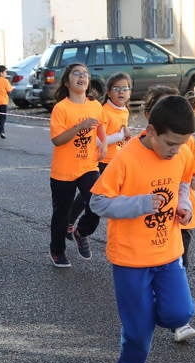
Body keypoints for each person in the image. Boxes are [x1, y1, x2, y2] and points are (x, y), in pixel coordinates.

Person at [90, 94, 195, 363]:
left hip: (168, 252)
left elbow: (183, 182)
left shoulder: (181, 151)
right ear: (151, 131)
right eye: (171, 144)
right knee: (138, 331)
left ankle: (148, 310)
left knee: (180, 312)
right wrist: (141, 204)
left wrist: (184, 205)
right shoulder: (126, 157)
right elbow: (98, 202)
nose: (177, 150)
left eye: (182, 144)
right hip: (130, 260)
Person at [140, 85, 195, 343]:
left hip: (181, 217)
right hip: (151, 221)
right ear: (151, 115)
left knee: (179, 265)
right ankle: (150, 306)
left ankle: (179, 321)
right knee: (151, 270)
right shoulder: (140, 149)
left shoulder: (187, 141)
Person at [48, 63, 107, 267]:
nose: (82, 77)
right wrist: (80, 126)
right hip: (63, 170)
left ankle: (82, 231)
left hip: (88, 166)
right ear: (67, 81)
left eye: (85, 74)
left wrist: (104, 143)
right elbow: (57, 140)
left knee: (97, 203)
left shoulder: (95, 105)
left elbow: (100, 126)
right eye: (76, 74)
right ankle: (57, 251)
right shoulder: (61, 108)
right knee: (61, 215)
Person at [67, 72, 133, 239]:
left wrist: (125, 140)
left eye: (125, 88)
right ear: (109, 92)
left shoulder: (124, 110)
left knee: (88, 196)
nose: (121, 92)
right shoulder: (104, 111)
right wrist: (120, 136)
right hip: (100, 162)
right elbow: (95, 140)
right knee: (93, 199)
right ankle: (78, 228)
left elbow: (121, 136)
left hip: (116, 163)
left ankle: (70, 223)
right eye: (116, 88)